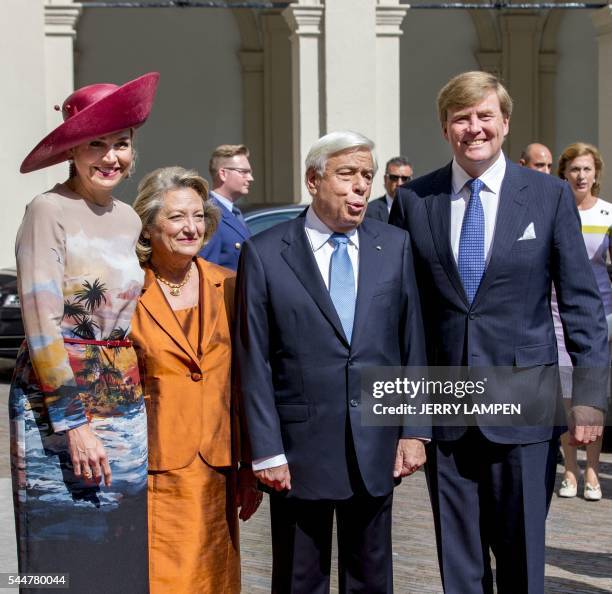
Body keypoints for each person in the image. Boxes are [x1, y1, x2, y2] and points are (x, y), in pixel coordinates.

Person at [390, 71, 608, 594]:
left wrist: (590, 397)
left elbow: (581, 303)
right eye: (461, 118)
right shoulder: (415, 200)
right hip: (446, 408)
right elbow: (402, 315)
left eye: (484, 116)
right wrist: (409, 418)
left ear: (505, 123)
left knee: (522, 559)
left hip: (526, 402)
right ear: (445, 128)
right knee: (458, 565)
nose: (474, 128)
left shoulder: (548, 195)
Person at [235, 130, 428, 593]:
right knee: (300, 579)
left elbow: (411, 345)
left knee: (372, 577)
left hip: (376, 447)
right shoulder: (265, 254)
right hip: (297, 452)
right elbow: (253, 360)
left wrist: (416, 430)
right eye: (346, 174)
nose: (361, 185)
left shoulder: (394, 246)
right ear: (313, 180)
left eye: (367, 175)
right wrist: (266, 449)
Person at [10, 72, 159, 593]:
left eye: (122, 144)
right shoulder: (47, 210)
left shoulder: (127, 219)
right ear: (71, 148)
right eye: (96, 143)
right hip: (58, 398)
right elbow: (41, 323)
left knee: (121, 543)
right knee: (65, 545)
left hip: (123, 397)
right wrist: (73, 423)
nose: (111, 156)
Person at [130, 166, 261, 593]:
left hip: (218, 472)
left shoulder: (229, 285)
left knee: (216, 581)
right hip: (153, 472)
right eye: (176, 217)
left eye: (198, 216)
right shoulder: (126, 292)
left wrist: (249, 466)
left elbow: (247, 382)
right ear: (149, 226)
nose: (191, 228)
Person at [553, 142, 611, 501]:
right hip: (555, 313)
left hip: (600, 315)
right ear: (564, 173)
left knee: (592, 394)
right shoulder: (555, 211)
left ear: (596, 174)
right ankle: (570, 470)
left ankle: (592, 469)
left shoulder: (608, 214)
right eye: (574, 169)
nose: (581, 175)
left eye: (587, 169)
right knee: (564, 396)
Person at [198, 144, 253, 270]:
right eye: (243, 172)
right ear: (223, 174)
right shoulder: (209, 213)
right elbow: (207, 270)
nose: (250, 178)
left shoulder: (234, 212)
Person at [366, 155, 413, 222]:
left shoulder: (419, 209)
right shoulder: (369, 210)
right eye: (394, 177)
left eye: (405, 178)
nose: (399, 183)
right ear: (385, 179)